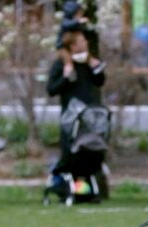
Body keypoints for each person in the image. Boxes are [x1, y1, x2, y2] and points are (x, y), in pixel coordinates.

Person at [46, 30, 106, 176]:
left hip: (89, 116)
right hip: (71, 117)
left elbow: (99, 82)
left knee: (89, 148)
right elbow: (51, 89)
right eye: (82, 41)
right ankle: (67, 182)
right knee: (71, 149)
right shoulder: (61, 65)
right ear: (72, 46)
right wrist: (66, 76)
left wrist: (96, 68)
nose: (86, 43)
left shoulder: (87, 64)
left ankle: (87, 184)